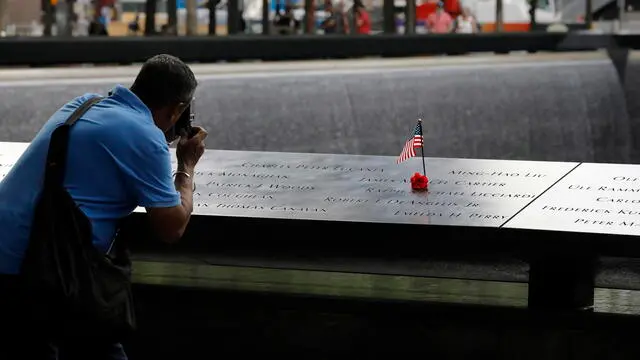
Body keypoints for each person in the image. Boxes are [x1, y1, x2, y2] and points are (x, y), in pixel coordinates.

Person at [0, 54, 207, 359]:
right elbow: (172, 227)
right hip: (42, 269)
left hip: (17, 251)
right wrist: (186, 166)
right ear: (178, 109)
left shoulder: (84, 104)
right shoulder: (145, 135)